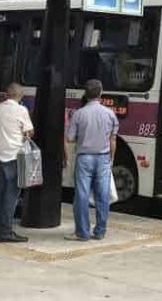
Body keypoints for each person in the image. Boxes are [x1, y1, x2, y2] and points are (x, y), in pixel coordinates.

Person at [65, 79, 118, 241]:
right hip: (103, 158)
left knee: (82, 194)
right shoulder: (110, 114)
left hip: (84, 158)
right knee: (102, 195)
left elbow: (70, 138)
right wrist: (111, 159)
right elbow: (113, 140)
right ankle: (100, 231)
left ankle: (82, 232)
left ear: (85, 94)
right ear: (100, 93)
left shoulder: (79, 114)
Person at [0, 82, 33, 243]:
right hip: (15, 157)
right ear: (20, 95)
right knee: (11, 195)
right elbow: (29, 131)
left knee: (0, 193)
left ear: (7, 94)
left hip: (1, 156)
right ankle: (6, 231)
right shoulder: (21, 110)